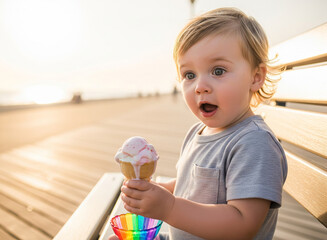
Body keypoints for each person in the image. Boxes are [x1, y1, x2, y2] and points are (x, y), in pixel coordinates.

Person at [110, 7, 287, 240]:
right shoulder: (198, 132)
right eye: (189, 75)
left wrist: (169, 208)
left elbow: (243, 224)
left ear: (255, 77)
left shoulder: (254, 143)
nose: (200, 86)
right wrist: (161, 192)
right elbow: (189, 185)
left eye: (218, 70)